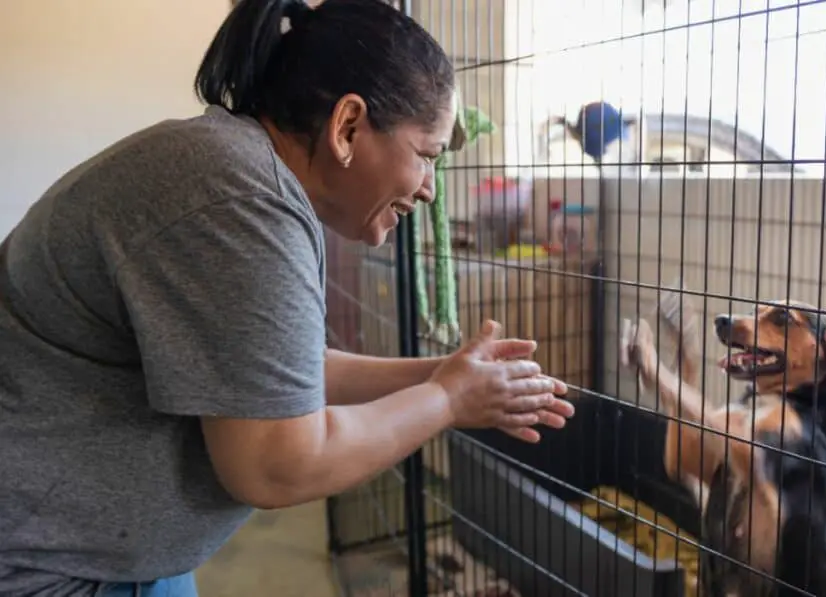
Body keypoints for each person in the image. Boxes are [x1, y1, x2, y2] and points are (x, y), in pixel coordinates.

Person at [0, 0, 574, 595]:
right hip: (43, 568)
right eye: (427, 155)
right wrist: (448, 400)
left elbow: (273, 373)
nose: (430, 189)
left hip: (104, 553)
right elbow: (277, 466)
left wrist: (442, 373)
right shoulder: (240, 202)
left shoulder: (237, 174)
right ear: (347, 126)